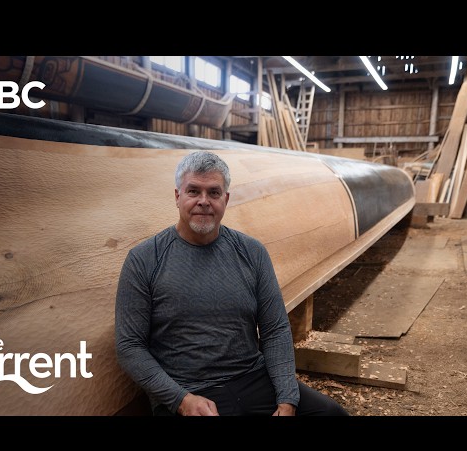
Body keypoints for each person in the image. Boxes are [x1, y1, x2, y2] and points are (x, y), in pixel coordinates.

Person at [115, 150, 349, 416]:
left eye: (213, 193)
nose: (204, 201)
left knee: (331, 413)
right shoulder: (144, 259)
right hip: (189, 390)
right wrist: (180, 399)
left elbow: (274, 329)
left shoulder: (251, 252)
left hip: (252, 378)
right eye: (193, 191)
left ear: (225, 199)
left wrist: (287, 400)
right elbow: (129, 346)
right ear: (177, 196)